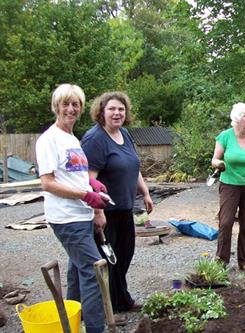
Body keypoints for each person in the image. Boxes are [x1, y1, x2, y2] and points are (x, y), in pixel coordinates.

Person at [36, 84, 107, 333]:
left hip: (81, 215)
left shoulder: (72, 139)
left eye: (75, 104)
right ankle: (96, 329)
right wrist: (87, 195)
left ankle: (71, 324)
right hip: (66, 218)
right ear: (56, 106)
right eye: (65, 104)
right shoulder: (49, 139)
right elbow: (47, 183)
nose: (70, 109)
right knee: (94, 271)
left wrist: (91, 183)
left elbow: (72, 174)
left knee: (78, 271)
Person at [81, 91, 153, 312]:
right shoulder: (95, 140)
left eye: (121, 109)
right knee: (107, 262)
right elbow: (88, 180)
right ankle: (106, 309)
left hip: (124, 208)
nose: (117, 113)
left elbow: (134, 166)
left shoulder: (125, 134)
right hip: (106, 213)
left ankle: (121, 301)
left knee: (123, 256)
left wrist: (145, 192)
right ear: (101, 111)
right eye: (112, 108)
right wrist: (97, 212)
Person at [211, 102, 245, 274]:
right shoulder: (225, 136)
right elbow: (214, 160)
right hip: (229, 185)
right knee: (226, 223)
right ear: (237, 118)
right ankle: (221, 260)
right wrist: (219, 163)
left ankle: (244, 260)